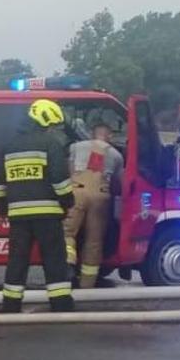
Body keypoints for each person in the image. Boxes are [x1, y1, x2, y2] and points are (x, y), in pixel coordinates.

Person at [0, 99, 77, 312]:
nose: (53, 130)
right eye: (52, 126)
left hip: (18, 217)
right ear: (46, 122)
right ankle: (61, 303)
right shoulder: (51, 145)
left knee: (17, 261)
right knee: (54, 259)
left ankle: (10, 304)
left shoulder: (8, 147)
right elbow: (60, 181)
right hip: (48, 215)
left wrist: (2, 209)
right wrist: (68, 203)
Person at [63, 123, 122, 288]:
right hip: (101, 198)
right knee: (94, 241)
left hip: (77, 193)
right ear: (109, 136)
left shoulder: (75, 147)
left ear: (92, 134)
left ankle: (67, 265)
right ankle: (87, 284)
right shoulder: (116, 155)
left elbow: (68, 171)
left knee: (67, 233)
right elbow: (118, 185)